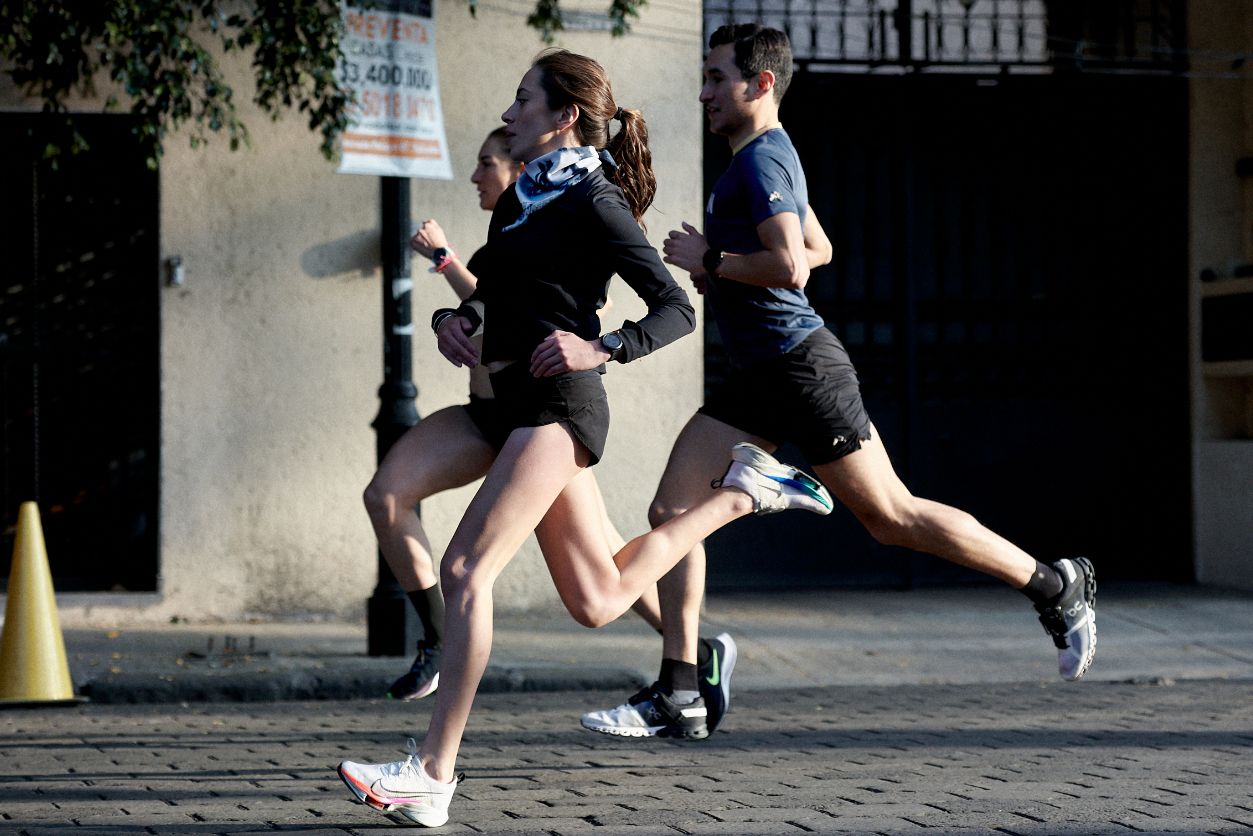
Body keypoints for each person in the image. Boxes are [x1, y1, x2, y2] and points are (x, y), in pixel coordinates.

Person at [337, 48, 834, 828]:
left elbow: (674, 307)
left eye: (522, 99)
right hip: (504, 406)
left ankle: (432, 774)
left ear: (563, 115)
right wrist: (452, 320)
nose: (509, 115)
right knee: (595, 599)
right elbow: (495, 294)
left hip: (560, 408)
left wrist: (602, 347)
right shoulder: (523, 197)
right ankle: (744, 495)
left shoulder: (596, 202)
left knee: (468, 566)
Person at [580, 23, 1098, 740]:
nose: (702, 92)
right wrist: (723, 267)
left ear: (760, 84)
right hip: (758, 371)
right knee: (671, 514)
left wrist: (712, 261)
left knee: (892, 518)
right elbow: (819, 247)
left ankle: (1054, 583)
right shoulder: (762, 157)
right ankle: (682, 687)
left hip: (797, 366)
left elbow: (792, 264)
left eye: (715, 78)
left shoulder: (762, 162)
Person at [364, 127, 737, 708]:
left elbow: (647, 309)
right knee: (389, 495)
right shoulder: (513, 220)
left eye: (488, 162)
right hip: (488, 414)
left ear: (522, 168)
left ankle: (689, 649)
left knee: (589, 583)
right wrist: (449, 317)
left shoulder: (577, 218)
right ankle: (439, 639)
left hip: (547, 415)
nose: (479, 176)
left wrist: (445, 261)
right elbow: (489, 299)